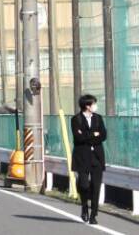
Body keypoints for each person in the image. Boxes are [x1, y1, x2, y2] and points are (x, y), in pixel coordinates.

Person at [71, 94, 107, 225]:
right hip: (82, 157)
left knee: (96, 186)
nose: (95, 106)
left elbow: (103, 135)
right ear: (87, 106)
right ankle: (84, 206)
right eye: (94, 104)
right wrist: (93, 134)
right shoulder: (76, 119)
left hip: (97, 157)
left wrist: (87, 135)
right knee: (84, 185)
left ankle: (93, 215)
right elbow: (78, 138)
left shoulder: (98, 118)